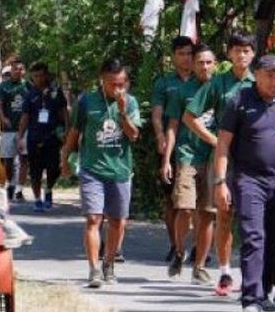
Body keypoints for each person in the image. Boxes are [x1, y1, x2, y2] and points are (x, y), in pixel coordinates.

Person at [214, 54, 275, 312]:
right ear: (257, 75)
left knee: (274, 237)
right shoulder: (239, 101)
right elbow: (223, 143)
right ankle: (249, 299)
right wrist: (220, 181)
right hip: (249, 179)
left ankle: (263, 294)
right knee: (253, 236)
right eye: (270, 75)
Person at [184, 31, 256, 296]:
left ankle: (252, 274)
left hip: (252, 159)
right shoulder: (218, 84)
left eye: (246, 50)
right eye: (237, 50)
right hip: (225, 160)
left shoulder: (258, 83)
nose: (241, 55)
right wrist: (215, 141)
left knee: (251, 217)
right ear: (229, 54)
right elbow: (189, 116)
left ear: (253, 54)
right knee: (223, 214)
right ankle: (225, 272)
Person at [60, 59, 141, 288]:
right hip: (92, 169)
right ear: (102, 80)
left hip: (120, 170)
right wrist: (65, 158)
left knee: (117, 222)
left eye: (122, 83)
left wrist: (123, 113)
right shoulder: (86, 101)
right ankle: (94, 269)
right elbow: (75, 133)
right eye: (113, 83)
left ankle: (109, 264)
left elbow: (134, 135)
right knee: (94, 218)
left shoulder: (131, 102)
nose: (118, 88)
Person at [161, 44, 217, 285]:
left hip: (214, 158)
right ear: (193, 65)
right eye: (200, 62)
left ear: (215, 64)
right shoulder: (183, 90)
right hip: (187, 155)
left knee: (207, 213)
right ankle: (180, 250)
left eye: (208, 62)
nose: (204, 66)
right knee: (184, 208)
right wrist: (167, 159)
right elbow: (173, 126)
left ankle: (200, 265)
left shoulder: (222, 89)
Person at [151, 36, 195, 261]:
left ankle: (198, 245)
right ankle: (174, 244)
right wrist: (160, 136)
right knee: (173, 201)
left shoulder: (203, 80)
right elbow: (157, 113)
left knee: (198, 201)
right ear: (173, 56)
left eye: (189, 53)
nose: (186, 58)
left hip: (199, 148)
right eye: (181, 53)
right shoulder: (164, 83)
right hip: (172, 145)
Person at [18, 62, 68, 212]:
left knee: (54, 168)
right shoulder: (30, 94)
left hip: (53, 136)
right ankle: (37, 199)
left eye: (41, 75)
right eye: (35, 76)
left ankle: (49, 189)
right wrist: (20, 137)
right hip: (34, 137)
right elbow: (25, 117)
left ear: (46, 75)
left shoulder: (55, 91)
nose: (38, 78)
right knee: (35, 170)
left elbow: (63, 111)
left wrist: (67, 129)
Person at [0, 59, 32, 201]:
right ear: (11, 70)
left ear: (24, 71)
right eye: (15, 69)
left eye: (21, 69)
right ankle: (11, 183)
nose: (18, 71)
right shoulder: (4, 86)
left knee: (24, 159)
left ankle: (19, 190)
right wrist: (3, 118)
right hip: (8, 129)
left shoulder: (28, 86)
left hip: (25, 129)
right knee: (8, 160)